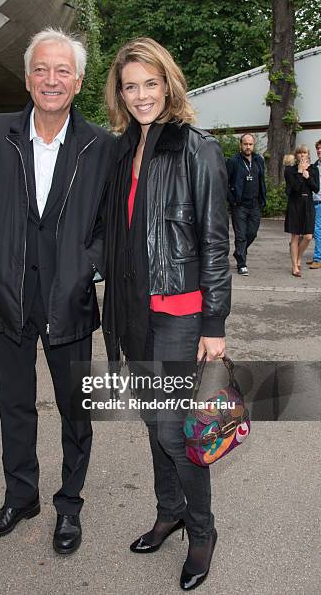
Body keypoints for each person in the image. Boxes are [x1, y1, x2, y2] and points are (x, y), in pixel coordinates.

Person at [0, 28, 114, 553]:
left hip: (69, 302)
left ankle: (69, 506)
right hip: (9, 299)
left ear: (78, 81)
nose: (52, 80)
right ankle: (20, 496)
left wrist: (86, 270)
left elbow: (111, 226)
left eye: (62, 70)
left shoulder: (102, 148)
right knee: (15, 406)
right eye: (42, 70)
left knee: (76, 412)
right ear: (27, 79)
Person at [103, 38, 231, 590]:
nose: (140, 95)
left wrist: (215, 324)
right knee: (154, 424)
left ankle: (201, 530)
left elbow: (214, 242)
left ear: (168, 84)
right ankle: (167, 510)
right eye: (130, 86)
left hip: (180, 311)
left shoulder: (198, 149)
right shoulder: (123, 149)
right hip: (135, 311)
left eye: (149, 83)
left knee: (177, 431)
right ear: (120, 92)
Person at [227, 133, 266, 276]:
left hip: (255, 204)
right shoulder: (233, 161)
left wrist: (263, 199)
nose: (248, 147)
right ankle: (241, 264)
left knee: (252, 233)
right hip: (239, 205)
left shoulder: (259, 160)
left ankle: (239, 252)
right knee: (241, 235)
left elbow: (262, 180)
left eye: (250, 144)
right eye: (245, 144)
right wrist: (232, 200)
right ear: (241, 145)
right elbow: (224, 181)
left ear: (253, 145)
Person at [284, 145, 319, 277]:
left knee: (308, 236)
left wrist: (307, 176)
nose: (302, 155)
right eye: (299, 153)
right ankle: (294, 266)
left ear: (308, 155)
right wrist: (299, 173)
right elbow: (293, 189)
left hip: (308, 204)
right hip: (295, 204)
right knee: (295, 236)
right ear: (296, 155)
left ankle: (298, 257)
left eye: (304, 153)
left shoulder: (313, 169)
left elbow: (316, 188)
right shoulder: (290, 170)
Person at [306, 139, 321, 269]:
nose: (319, 151)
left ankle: (318, 258)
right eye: (318, 148)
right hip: (314, 201)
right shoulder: (315, 166)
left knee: (316, 230)